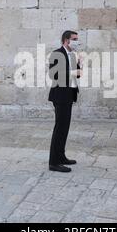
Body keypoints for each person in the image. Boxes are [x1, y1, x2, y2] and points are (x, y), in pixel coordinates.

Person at [47, 30, 82, 173]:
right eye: (74, 39)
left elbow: (77, 75)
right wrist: (74, 72)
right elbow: (54, 74)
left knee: (65, 128)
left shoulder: (73, 55)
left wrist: (79, 64)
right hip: (60, 96)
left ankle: (61, 156)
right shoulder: (57, 53)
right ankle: (53, 162)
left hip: (69, 95)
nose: (77, 42)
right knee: (59, 129)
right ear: (66, 40)